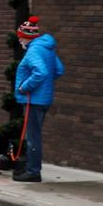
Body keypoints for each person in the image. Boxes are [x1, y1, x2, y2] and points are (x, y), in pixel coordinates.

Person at [13, 16, 63, 183]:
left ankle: (33, 172)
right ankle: (32, 169)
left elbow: (40, 72)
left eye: (20, 36)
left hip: (32, 100)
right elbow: (58, 70)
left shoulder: (34, 50)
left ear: (27, 36)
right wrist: (44, 87)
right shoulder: (47, 48)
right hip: (43, 99)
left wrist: (24, 87)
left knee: (33, 136)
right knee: (34, 134)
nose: (19, 39)